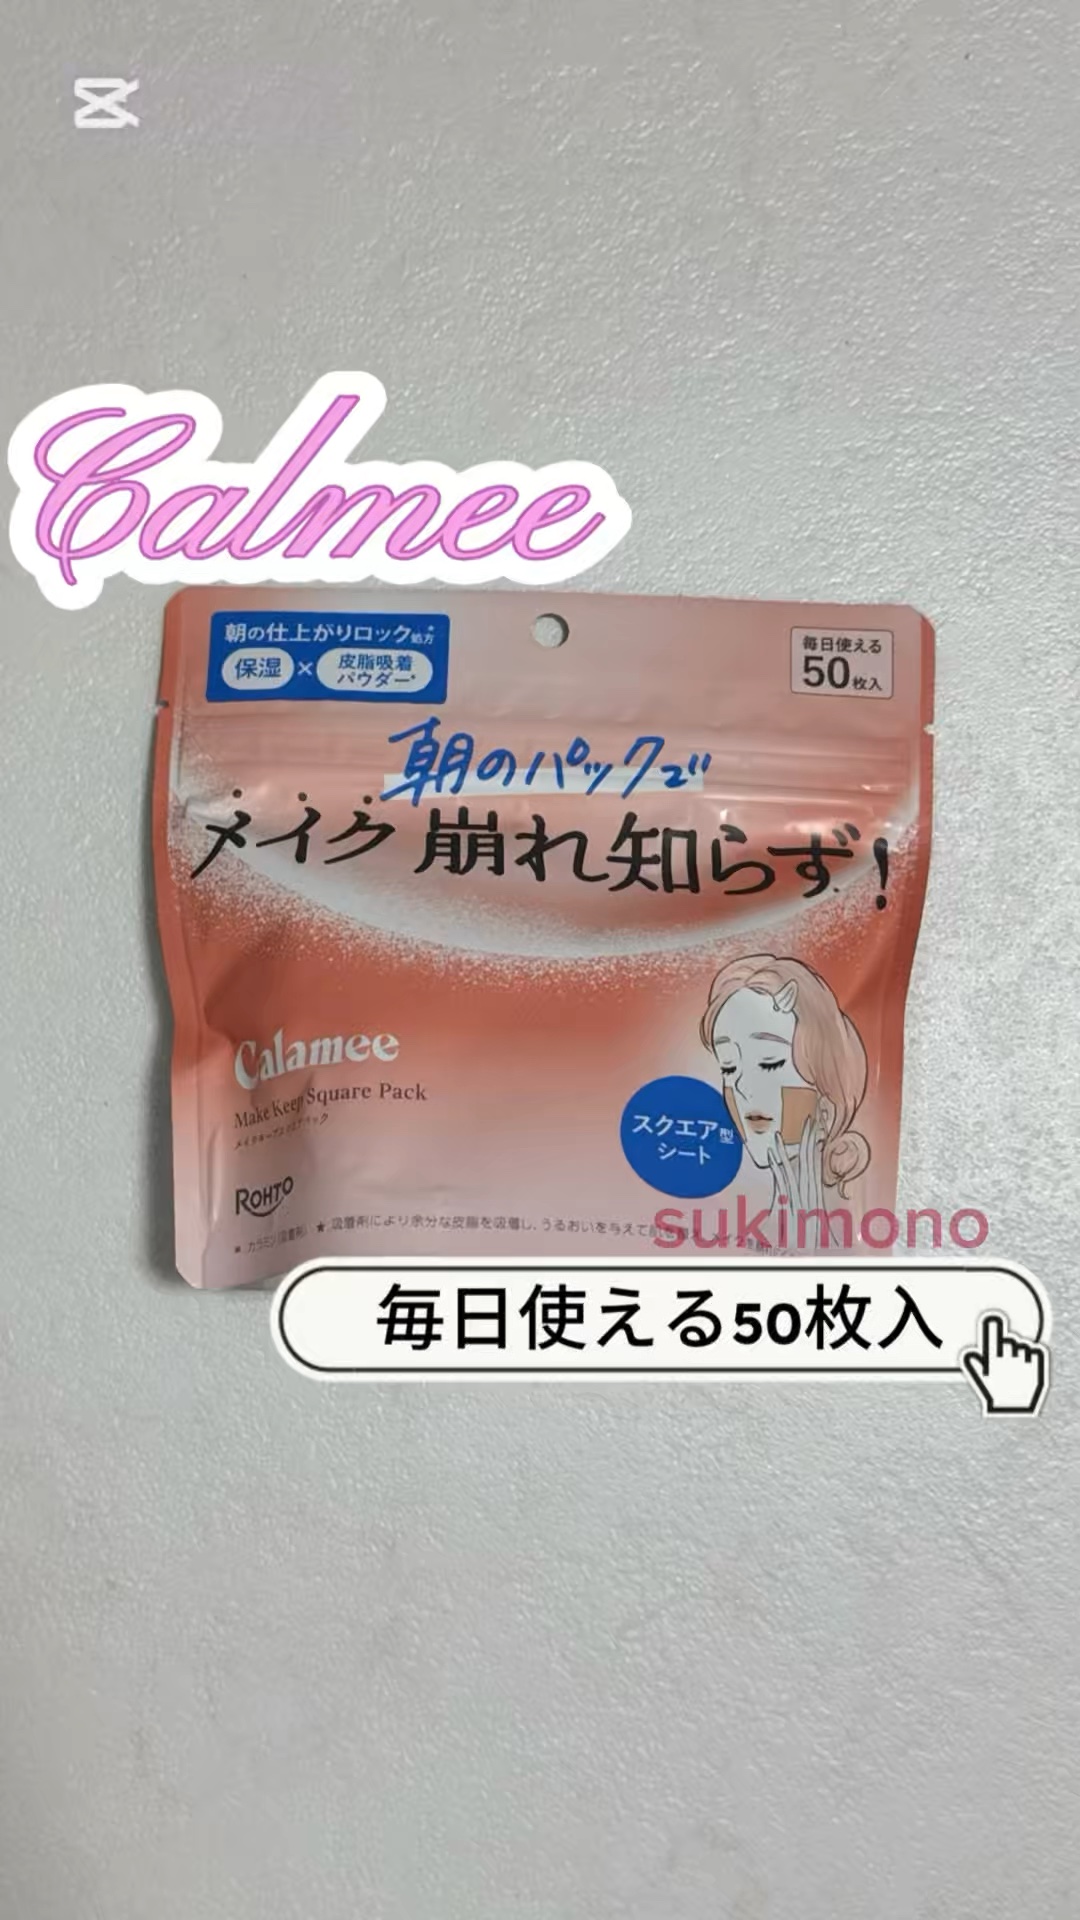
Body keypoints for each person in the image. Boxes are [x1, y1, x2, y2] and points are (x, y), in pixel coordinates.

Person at [699, 954, 870, 1249]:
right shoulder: (742, 1236)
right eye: (729, 1067)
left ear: (827, 1096)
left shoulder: (852, 1237)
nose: (740, 1085)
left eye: (769, 1063)